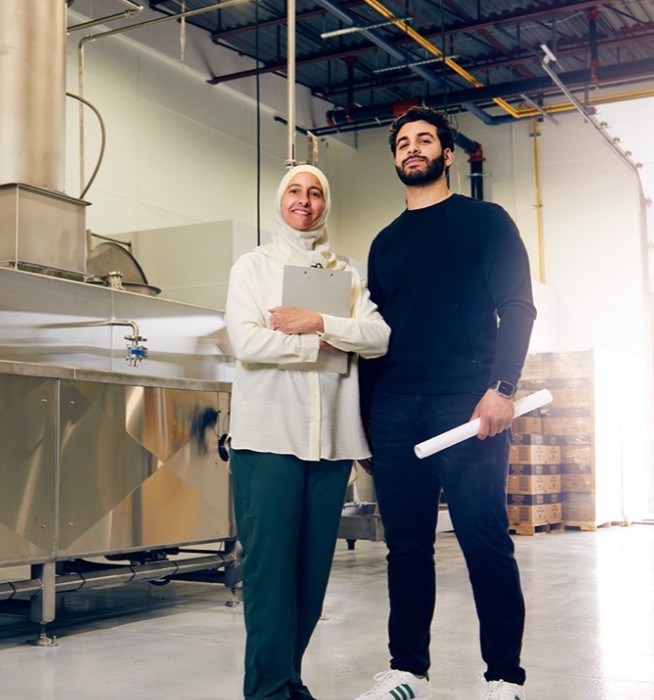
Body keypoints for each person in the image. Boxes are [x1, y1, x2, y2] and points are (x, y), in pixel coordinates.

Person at [354, 107, 537, 700]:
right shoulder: (384, 243)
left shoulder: (485, 222)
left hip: (468, 405)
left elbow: (518, 307)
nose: (413, 149)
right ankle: (408, 671)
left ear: (447, 154)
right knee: (406, 546)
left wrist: (502, 388)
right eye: (403, 143)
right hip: (395, 407)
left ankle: (504, 677)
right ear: (395, 157)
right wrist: (364, 424)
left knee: (484, 540)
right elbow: (371, 337)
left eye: (424, 140)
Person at [225, 164, 390, 700]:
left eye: (316, 192)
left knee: (310, 580)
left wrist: (316, 322)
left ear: (325, 204)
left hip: (331, 441)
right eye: (295, 191)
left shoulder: (346, 274)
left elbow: (379, 336)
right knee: (271, 578)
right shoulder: (252, 267)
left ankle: (288, 681)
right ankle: (268, 691)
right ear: (280, 201)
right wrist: (322, 346)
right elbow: (247, 343)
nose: (305, 200)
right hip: (270, 439)